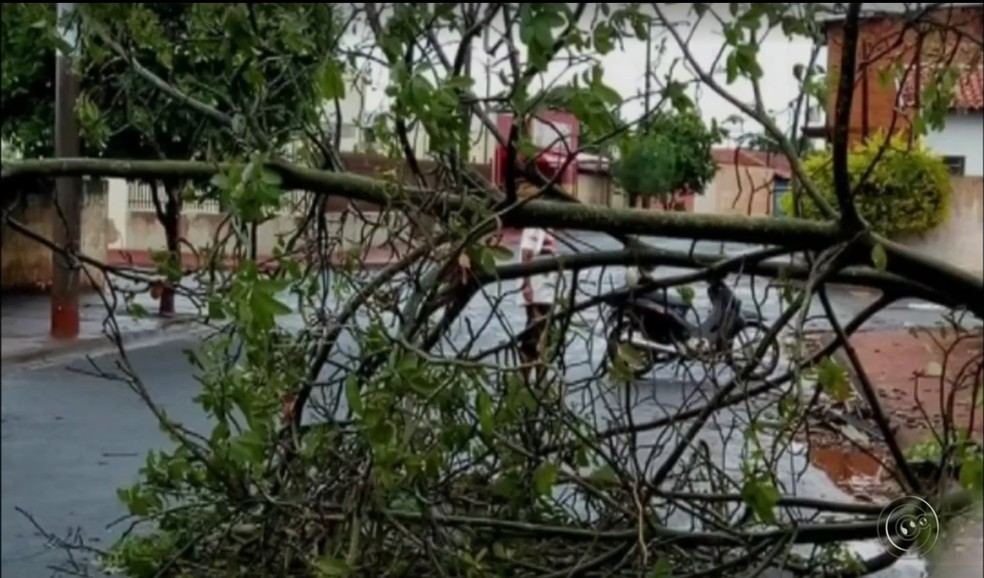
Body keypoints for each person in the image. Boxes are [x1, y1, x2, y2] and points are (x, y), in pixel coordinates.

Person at [518, 227, 559, 386]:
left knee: (544, 334)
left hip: (545, 289)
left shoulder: (544, 227)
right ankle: (526, 379)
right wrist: (527, 284)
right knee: (535, 335)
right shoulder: (534, 228)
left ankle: (540, 377)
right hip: (538, 289)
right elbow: (526, 253)